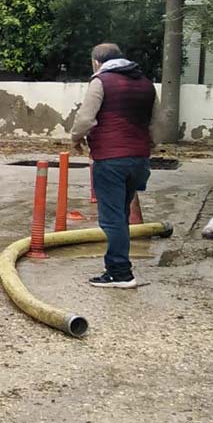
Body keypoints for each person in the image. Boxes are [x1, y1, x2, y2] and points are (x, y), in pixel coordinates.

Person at [70, 43, 159, 288]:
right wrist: (146, 146)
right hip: (139, 159)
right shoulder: (146, 84)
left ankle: (120, 272)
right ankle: (119, 267)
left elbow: (86, 118)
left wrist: (75, 139)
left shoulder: (101, 81)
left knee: (112, 219)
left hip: (111, 160)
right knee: (121, 214)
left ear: (96, 62)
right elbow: (156, 122)